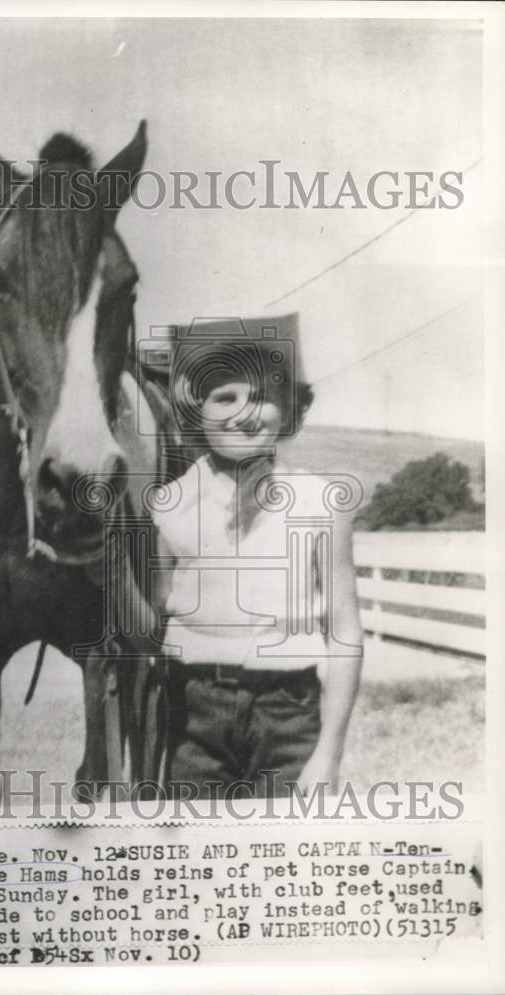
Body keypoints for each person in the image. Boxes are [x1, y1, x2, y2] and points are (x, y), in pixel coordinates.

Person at [149, 320, 364, 799]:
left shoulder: (320, 502)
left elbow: (345, 630)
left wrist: (328, 753)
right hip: (193, 712)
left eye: (261, 397)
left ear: (288, 408)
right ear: (195, 410)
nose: (244, 414)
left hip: (288, 712)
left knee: (291, 840)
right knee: (196, 843)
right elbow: (158, 607)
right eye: (225, 397)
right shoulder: (168, 504)